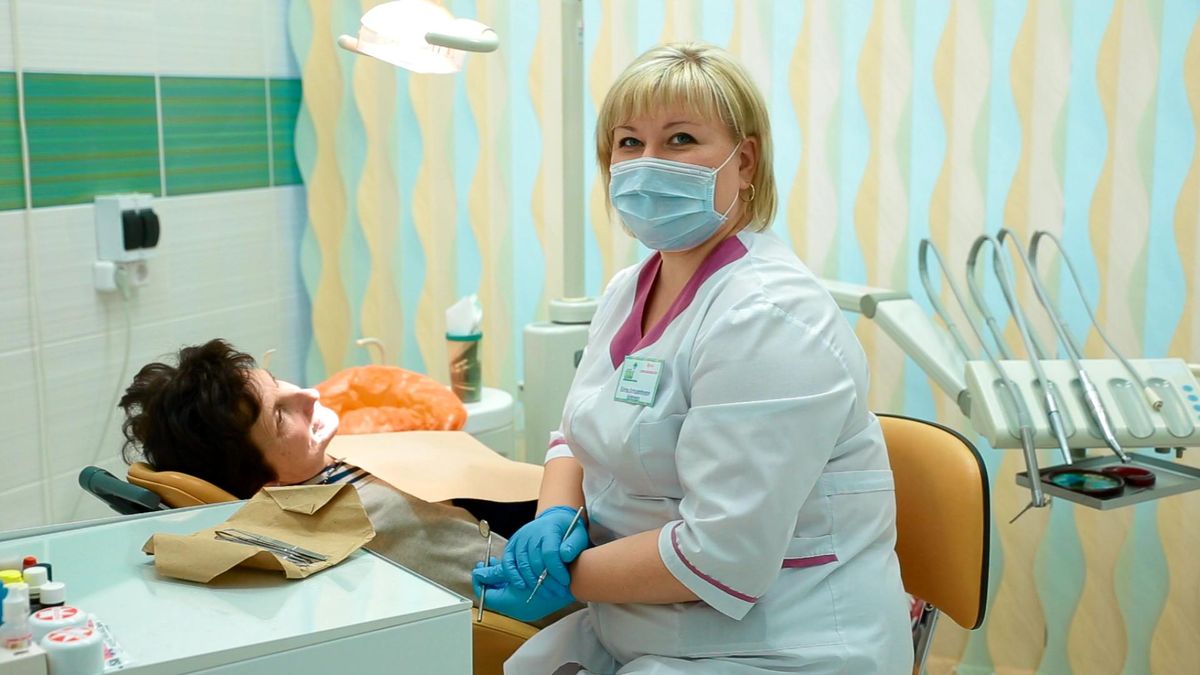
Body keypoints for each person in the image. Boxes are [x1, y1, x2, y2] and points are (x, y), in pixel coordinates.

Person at [472, 42, 913, 673]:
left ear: (745, 162)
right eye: (629, 142)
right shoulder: (630, 288)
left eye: (680, 139)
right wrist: (556, 518)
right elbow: (576, 434)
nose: (648, 162)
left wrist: (564, 577)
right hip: (636, 627)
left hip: (776, 647)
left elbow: (720, 555)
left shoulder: (766, 318)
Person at [117, 338, 533, 605]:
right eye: (280, 415)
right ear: (266, 484)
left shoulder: (319, 466)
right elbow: (534, 590)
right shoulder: (372, 517)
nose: (310, 393)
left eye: (276, 380)